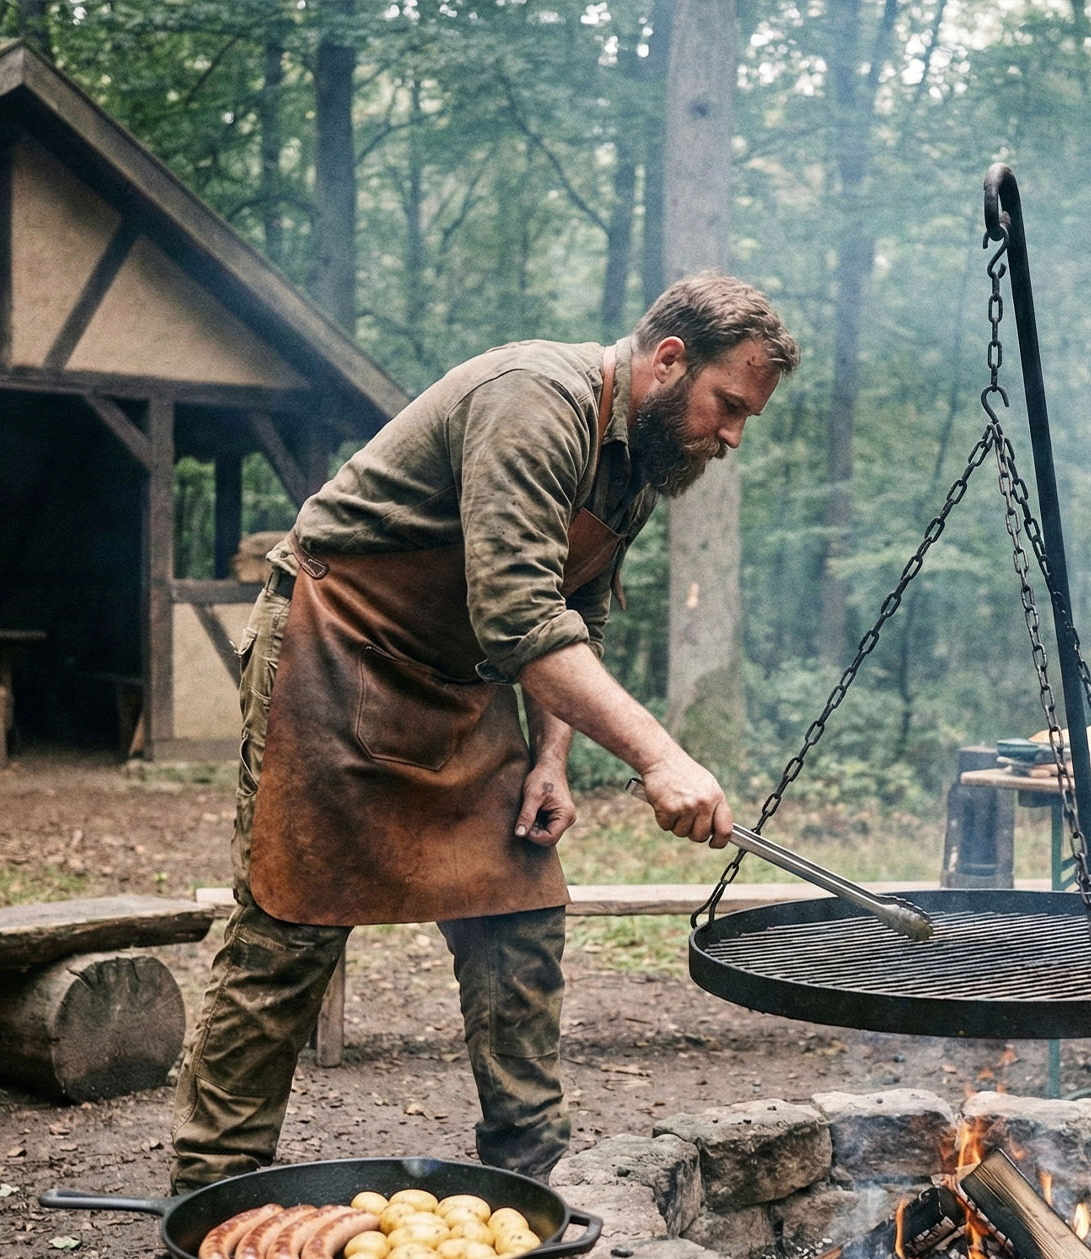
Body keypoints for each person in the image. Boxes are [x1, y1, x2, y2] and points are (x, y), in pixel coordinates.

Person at [170, 275, 799, 1191]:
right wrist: (660, 756)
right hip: (338, 647)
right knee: (292, 917)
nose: (734, 436)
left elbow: (571, 609)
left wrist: (552, 758)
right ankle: (208, 1190)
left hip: (460, 685)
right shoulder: (533, 402)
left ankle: (533, 1172)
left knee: (520, 907)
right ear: (670, 359)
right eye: (728, 405)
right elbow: (519, 621)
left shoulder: (638, 465)